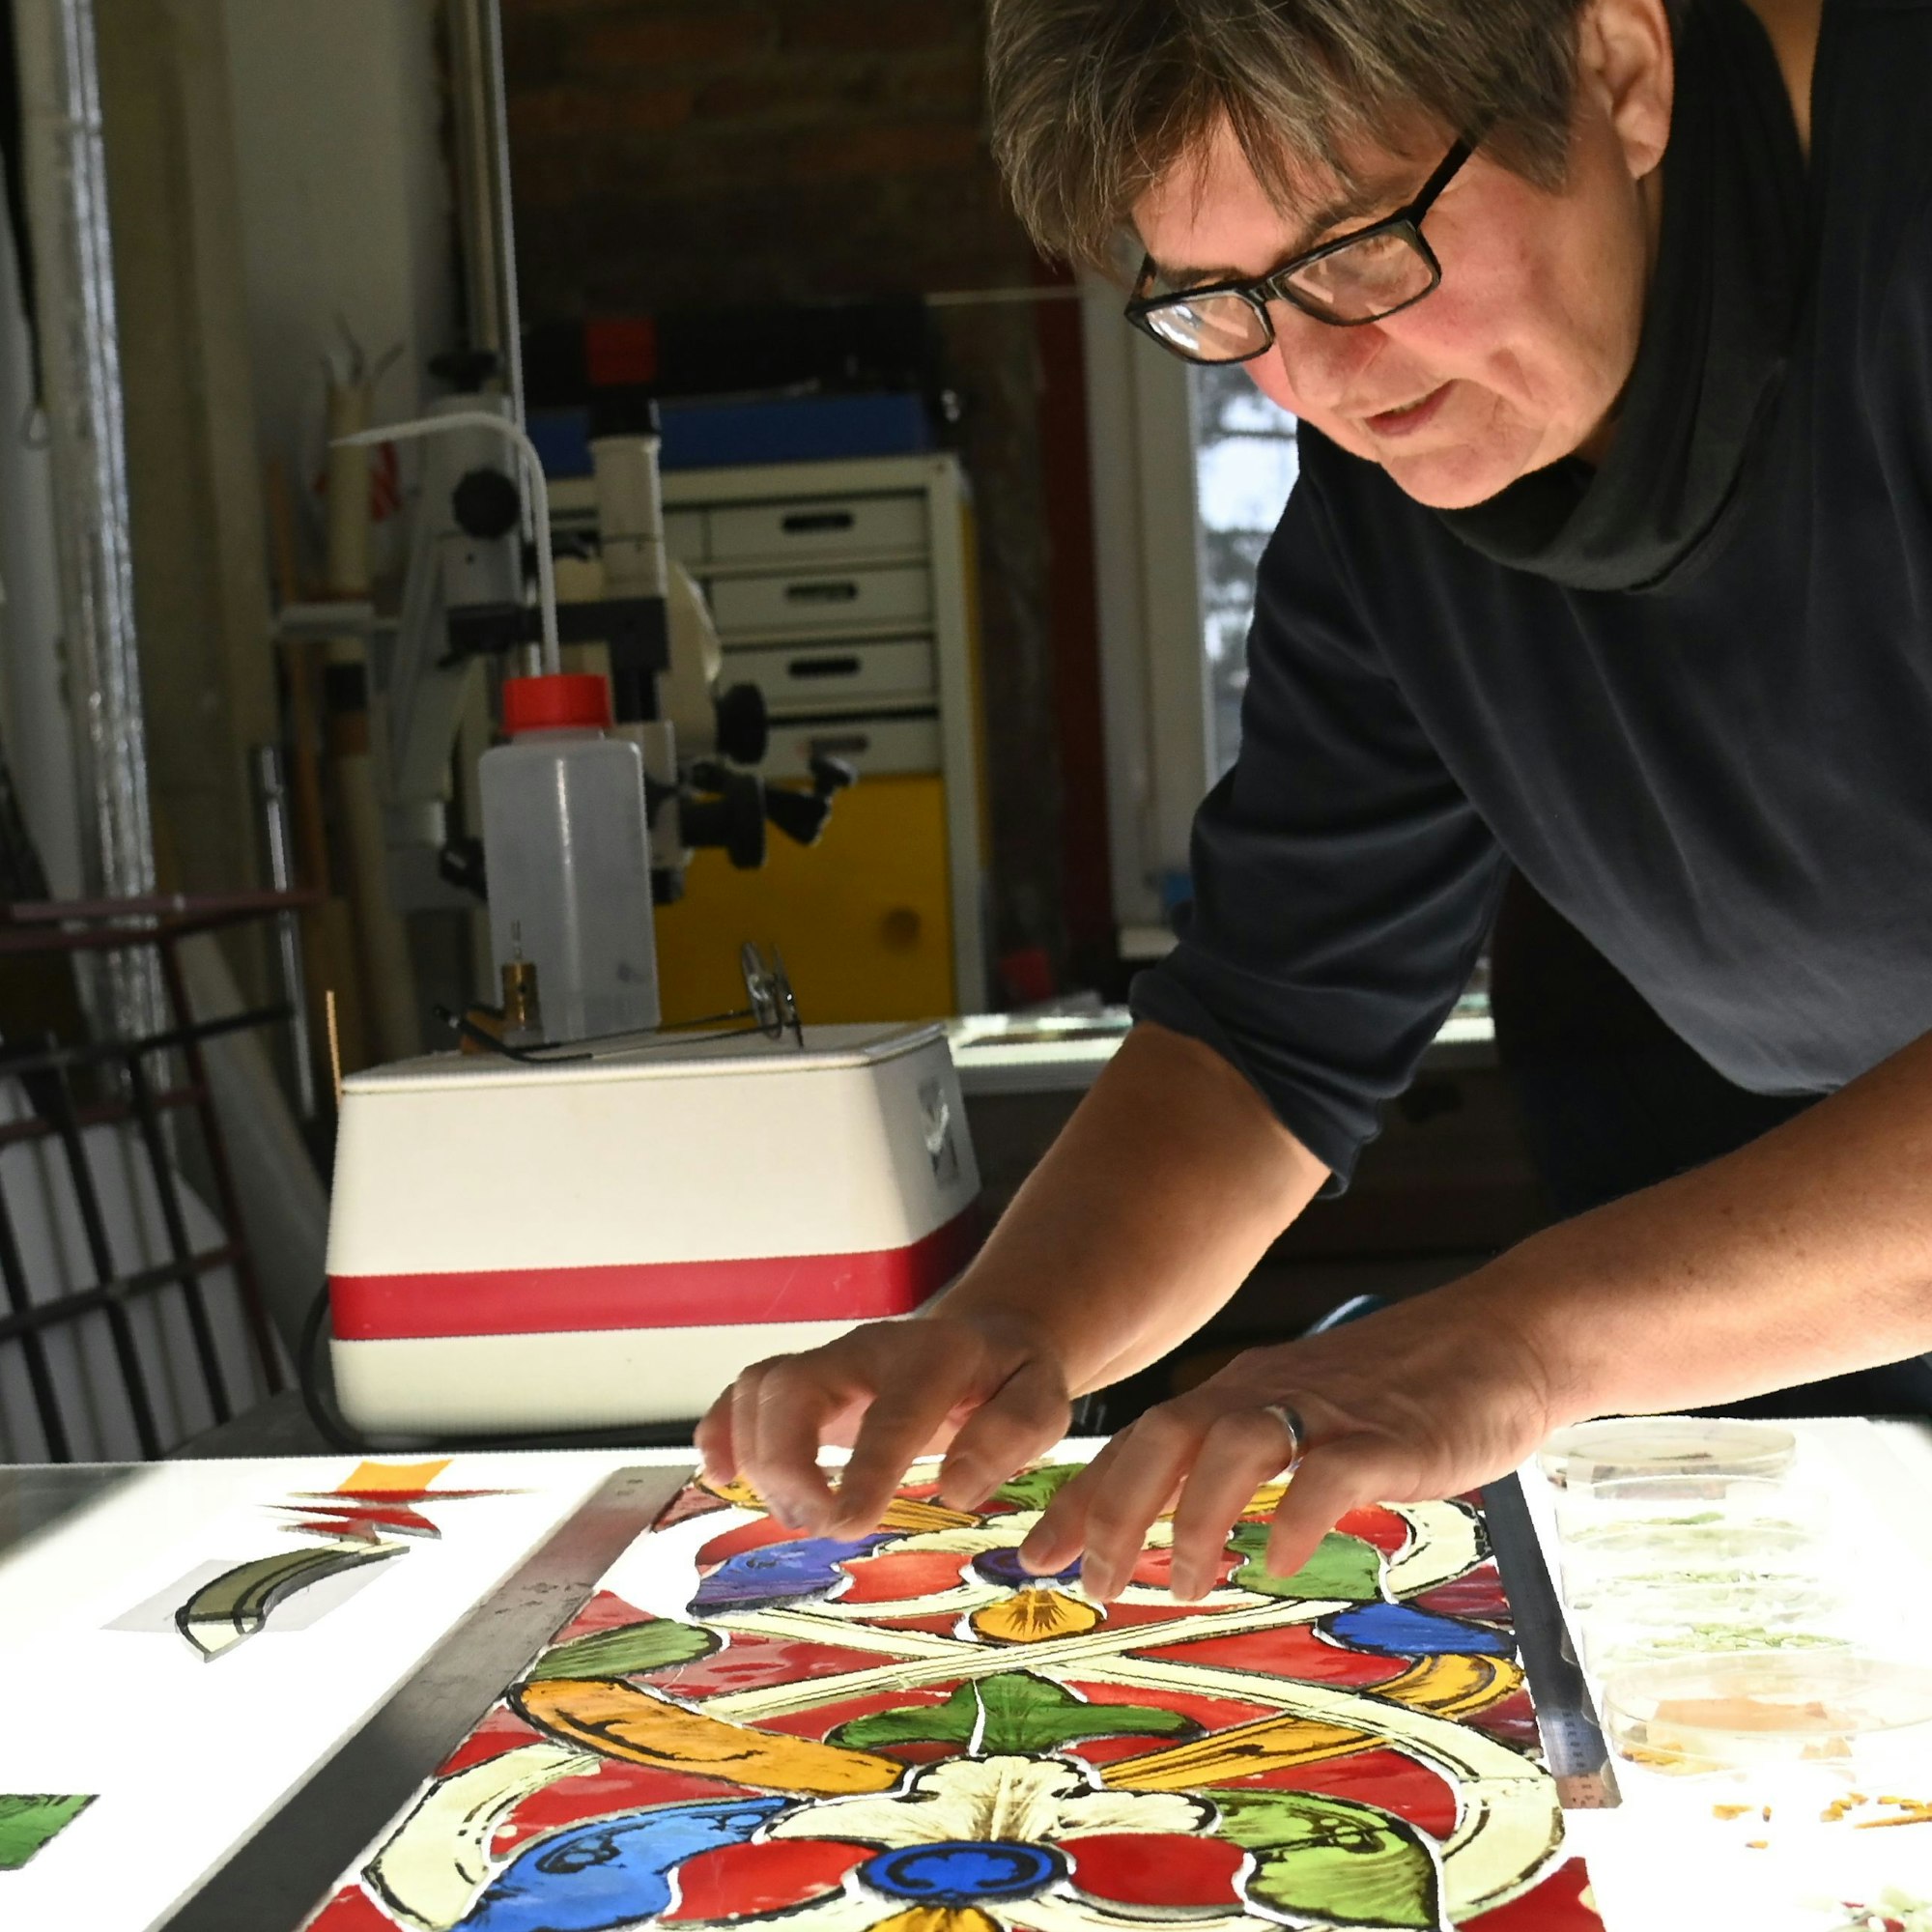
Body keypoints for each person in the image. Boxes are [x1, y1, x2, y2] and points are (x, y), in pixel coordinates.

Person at [697, 0, 1932, 1605]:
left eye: (1363, 248)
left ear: (1621, 70)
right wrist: (1018, 1324)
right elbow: (1272, 1031)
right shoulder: (1403, 494)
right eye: (1223, 301)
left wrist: (1510, 1343)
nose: (1322, 377)